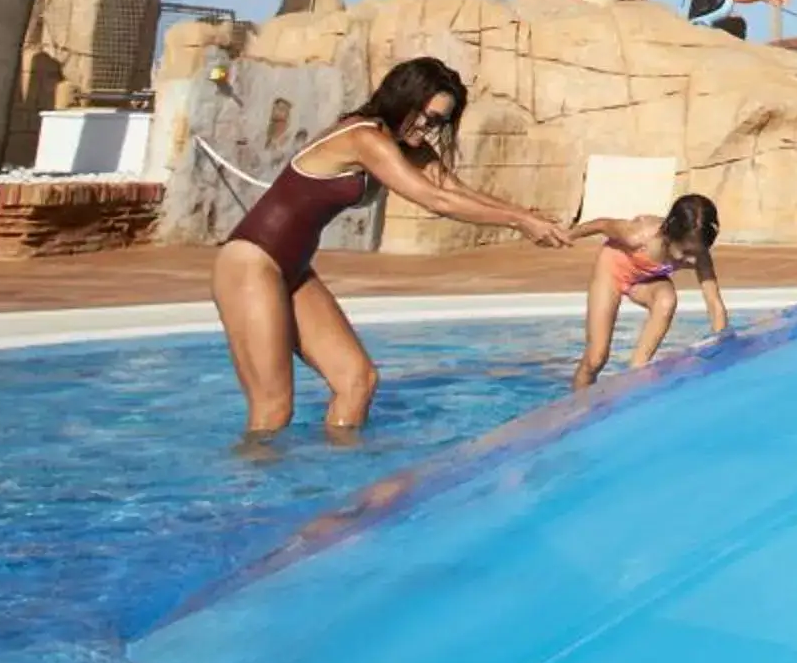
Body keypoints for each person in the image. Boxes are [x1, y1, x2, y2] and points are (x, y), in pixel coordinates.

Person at [214, 57, 568, 438]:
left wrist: (528, 216)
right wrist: (519, 222)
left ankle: (341, 479)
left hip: (293, 271)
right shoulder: (365, 138)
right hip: (251, 263)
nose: (429, 129)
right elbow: (436, 201)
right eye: (427, 118)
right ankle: (248, 492)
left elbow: (453, 190)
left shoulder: (405, 143)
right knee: (273, 409)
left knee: (357, 381)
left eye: (439, 123)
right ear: (404, 99)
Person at [569, 193, 728, 389]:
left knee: (666, 300)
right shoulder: (638, 235)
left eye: (699, 253)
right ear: (669, 235)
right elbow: (601, 224)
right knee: (596, 358)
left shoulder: (698, 253)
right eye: (686, 253)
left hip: (643, 281)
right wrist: (566, 235)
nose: (694, 261)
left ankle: (636, 372)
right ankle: (577, 407)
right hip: (612, 272)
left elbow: (715, 304)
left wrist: (723, 348)